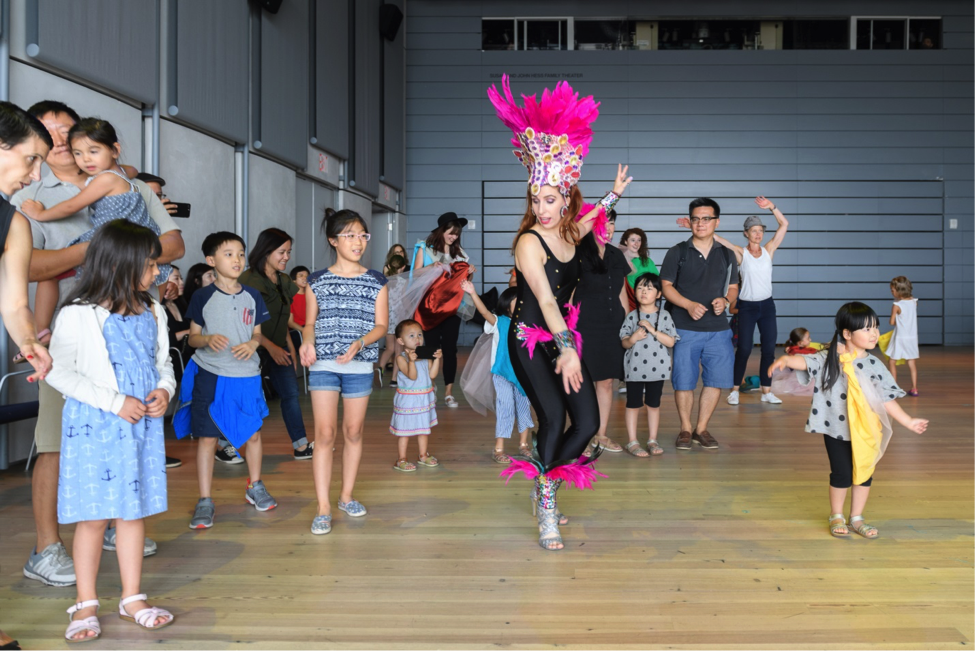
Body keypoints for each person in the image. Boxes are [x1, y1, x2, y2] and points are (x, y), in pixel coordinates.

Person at [16, 99, 184, 588]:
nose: (62, 142)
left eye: (67, 130)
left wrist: (130, 253)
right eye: (48, 135)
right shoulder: (30, 194)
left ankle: (118, 523)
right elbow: (31, 269)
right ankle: (48, 547)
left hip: (131, 317)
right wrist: (104, 246)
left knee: (130, 428)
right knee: (56, 443)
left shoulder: (121, 183)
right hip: (70, 329)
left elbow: (169, 245)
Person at [488, 73, 631, 550]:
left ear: (566, 198)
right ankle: (548, 498)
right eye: (535, 199)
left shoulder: (569, 231)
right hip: (531, 336)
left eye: (550, 199)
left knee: (587, 424)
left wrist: (612, 195)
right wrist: (567, 348)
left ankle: (545, 479)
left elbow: (589, 219)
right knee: (552, 417)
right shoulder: (528, 242)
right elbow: (547, 301)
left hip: (563, 338)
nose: (541, 207)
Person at [45, 221, 176, 642]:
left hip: (141, 424)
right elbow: (59, 374)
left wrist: (164, 390)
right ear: (122, 262)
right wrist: (114, 402)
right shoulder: (78, 314)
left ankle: (132, 597)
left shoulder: (152, 309)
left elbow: (164, 362)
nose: (158, 272)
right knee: (94, 516)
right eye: (152, 264)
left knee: (132, 512)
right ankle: (85, 603)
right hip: (96, 426)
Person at [769, 302, 928, 538]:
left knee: (864, 472)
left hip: (865, 429)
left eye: (875, 327)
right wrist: (785, 360)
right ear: (847, 333)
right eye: (866, 329)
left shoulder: (875, 365)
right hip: (837, 428)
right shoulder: (830, 357)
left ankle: (856, 517)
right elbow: (806, 362)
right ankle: (836, 514)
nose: (874, 333)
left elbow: (886, 399)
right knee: (841, 473)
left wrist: (908, 421)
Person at [20, 118, 174, 342]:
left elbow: (73, 205)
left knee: (54, 276)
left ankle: (42, 330)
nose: (86, 160)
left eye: (93, 151)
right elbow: (132, 168)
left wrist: (40, 214)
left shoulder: (104, 179)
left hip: (112, 238)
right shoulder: (122, 172)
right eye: (78, 153)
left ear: (114, 150)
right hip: (135, 239)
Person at [175, 232, 273, 530]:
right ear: (211, 261)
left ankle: (254, 485)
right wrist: (206, 338)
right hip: (212, 375)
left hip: (247, 375)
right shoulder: (203, 296)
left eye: (241, 254)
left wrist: (254, 344)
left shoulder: (253, 295)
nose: (237, 259)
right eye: (229, 254)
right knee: (207, 438)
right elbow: (192, 337)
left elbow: (257, 333)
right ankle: (205, 499)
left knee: (253, 434)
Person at [300, 209, 388, 535]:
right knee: (324, 435)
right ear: (333, 240)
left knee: (353, 432)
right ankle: (323, 507)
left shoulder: (376, 280)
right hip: (323, 363)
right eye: (349, 235)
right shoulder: (316, 280)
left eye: (362, 235)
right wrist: (306, 342)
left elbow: (382, 326)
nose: (357, 241)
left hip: (360, 364)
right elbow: (309, 323)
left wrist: (361, 341)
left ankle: (346, 496)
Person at [679, 197, 789, 407]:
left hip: (767, 306)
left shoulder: (769, 250)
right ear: (746, 233)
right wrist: (693, 228)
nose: (758, 234)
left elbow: (784, 224)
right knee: (745, 349)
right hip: (746, 307)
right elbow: (717, 238)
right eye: (753, 230)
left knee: (768, 349)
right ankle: (735, 390)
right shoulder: (741, 253)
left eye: (760, 230)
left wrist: (772, 207)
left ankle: (767, 391)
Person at [661, 198, 738, 452]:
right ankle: (685, 428)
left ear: (717, 221)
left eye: (706, 218)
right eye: (695, 218)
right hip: (684, 328)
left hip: (718, 330)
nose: (700, 223)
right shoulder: (678, 252)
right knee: (684, 381)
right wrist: (688, 305)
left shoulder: (727, 254)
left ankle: (701, 429)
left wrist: (726, 300)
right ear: (690, 221)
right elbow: (666, 287)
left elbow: (734, 287)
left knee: (715, 381)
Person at [240, 229, 311, 460]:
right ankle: (224, 444)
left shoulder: (283, 281)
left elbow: (283, 318)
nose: (287, 257)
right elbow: (247, 324)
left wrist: (289, 347)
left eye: (289, 252)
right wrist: (272, 348)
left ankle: (301, 446)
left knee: (291, 394)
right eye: (282, 252)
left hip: (279, 348)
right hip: (252, 350)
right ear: (266, 251)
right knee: (245, 399)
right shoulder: (249, 281)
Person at [0, 101, 53, 383]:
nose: (36, 176)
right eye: (32, 159)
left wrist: (29, 340)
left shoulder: (14, 224)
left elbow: (16, 304)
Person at [459, 280, 534, 464]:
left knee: (524, 408)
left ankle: (524, 445)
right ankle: (498, 448)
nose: (522, 304)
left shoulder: (529, 324)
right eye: (518, 301)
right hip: (502, 372)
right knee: (505, 406)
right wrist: (472, 293)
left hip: (523, 374)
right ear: (507, 303)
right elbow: (484, 312)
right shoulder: (499, 321)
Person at [574, 209, 629, 454]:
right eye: (602, 223)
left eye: (612, 224)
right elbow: (570, 294)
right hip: (584, 325)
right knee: (582, 382)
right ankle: (582, 435)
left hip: (613, 324)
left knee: (606, 381)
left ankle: (601, 435)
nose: (608, 229)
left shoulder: (617, 254)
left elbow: (621, 293)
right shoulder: (577, 253)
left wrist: (627, 324)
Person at [410, 212, 475, 408]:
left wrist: (469, 273)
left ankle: (448, 392)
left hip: (452, 308)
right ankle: (428, 387)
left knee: (449, 349)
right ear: (442, 230)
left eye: (457, 234)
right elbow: (415, 273)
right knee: (427, 349)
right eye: (451, 232)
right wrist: (432, 268)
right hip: (428, 308)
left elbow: (464, 283)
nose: (454, 236)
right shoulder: (425, 248)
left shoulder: (460, 253)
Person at [619, 273, 676, 457]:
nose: (644, 291)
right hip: (634, 369)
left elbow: (671, 342)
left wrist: (652, 330)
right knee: (633, 404)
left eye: (650, 288)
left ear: (658, 294)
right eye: (641, 287)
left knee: (653, 404)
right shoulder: (631, 316)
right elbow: (624, 342)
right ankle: (632, 441)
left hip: (657, 369)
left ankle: (652, 439)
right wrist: (633, 338)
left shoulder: (665, 316)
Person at [388, 319, 441, 471]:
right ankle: (401, 459)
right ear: (400, 340)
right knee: (404, 431)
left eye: (419, 335)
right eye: (411, 336)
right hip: (408, 400)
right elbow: (412, 376)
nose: (417, 339)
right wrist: (412, 361)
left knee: (423, 428)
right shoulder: (401, 358)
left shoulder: (425, 356)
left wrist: (436, 360)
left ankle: (423, 455)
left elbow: (432, 375)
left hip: (424, 397)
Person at [886, 276, 919, 396]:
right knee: (912, 363)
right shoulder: (914, 302)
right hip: (912, 337)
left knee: (892, 361)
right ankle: (914, 388)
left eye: (892, 290)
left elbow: (891, 322)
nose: (891, 292)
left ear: (899, 290)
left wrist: (897, 321)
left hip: (900, 337)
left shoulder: (896, 305)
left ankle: (894, 387)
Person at [769, 327, 825, 397]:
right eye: (808, 338)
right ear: (800, 343)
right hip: (798, 375)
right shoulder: (796, 352)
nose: (810, 340)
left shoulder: (799, 349)